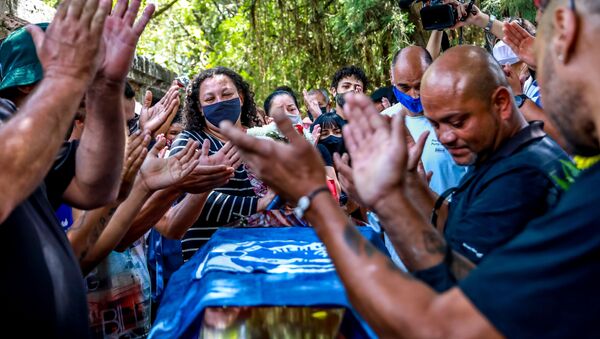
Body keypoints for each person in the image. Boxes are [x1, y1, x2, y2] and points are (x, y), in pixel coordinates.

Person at [219, 0, 600, 333]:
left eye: (458, 120)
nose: (445, 137)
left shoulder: (522, 176)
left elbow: (444, 322)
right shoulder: (507, 158)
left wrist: (314, 199)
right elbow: (459, 267)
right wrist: (399, 192)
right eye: (436, 125)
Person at [0, 0, 154, 337]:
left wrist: (107, 87)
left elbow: (95, 186)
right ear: (26, 82)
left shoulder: (38, 140)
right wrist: (65, 79)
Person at [160, 67, 275, 261]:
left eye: (226, 94)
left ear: (240, 97)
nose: (220, 102)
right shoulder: (189, 142)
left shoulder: (263, 139)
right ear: (199, 108)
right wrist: (258, 204)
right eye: (210, 99)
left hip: (266, 253)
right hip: (211, 260)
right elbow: (189, 199)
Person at [381, 46, 467, 196]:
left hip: (453, 216)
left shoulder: (456, 119)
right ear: (392, 77)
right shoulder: (383, 122)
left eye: (419, 86)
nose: (414, 95)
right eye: (404, 87)